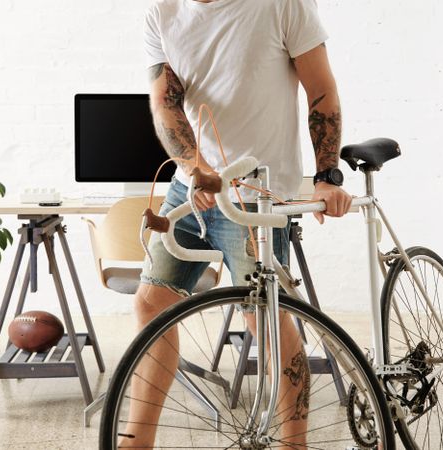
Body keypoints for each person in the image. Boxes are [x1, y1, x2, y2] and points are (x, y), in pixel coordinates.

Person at [122, 0, 352, 448]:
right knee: (151, 303)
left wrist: (327, 177)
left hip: (256, 190)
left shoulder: (282, 4)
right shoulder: (162, 12)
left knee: (263, 318)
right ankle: (137, 441)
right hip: (192, 185)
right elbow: (165, 104)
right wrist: (195, 167)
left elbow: (321, 89)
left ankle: (293, 443)